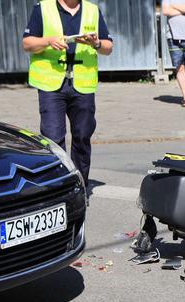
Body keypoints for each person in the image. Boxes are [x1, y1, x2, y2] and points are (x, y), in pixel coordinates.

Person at [22, 0, 113, 188]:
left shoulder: (92, 10)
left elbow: (108, 47)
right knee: (53, 139)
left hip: (83, 83)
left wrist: (96, 43)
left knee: (82, 137)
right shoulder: (43, 7)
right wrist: (48, 41)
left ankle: (79, 186)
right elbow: (27, 43)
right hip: (51, 85)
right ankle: (59, 188)